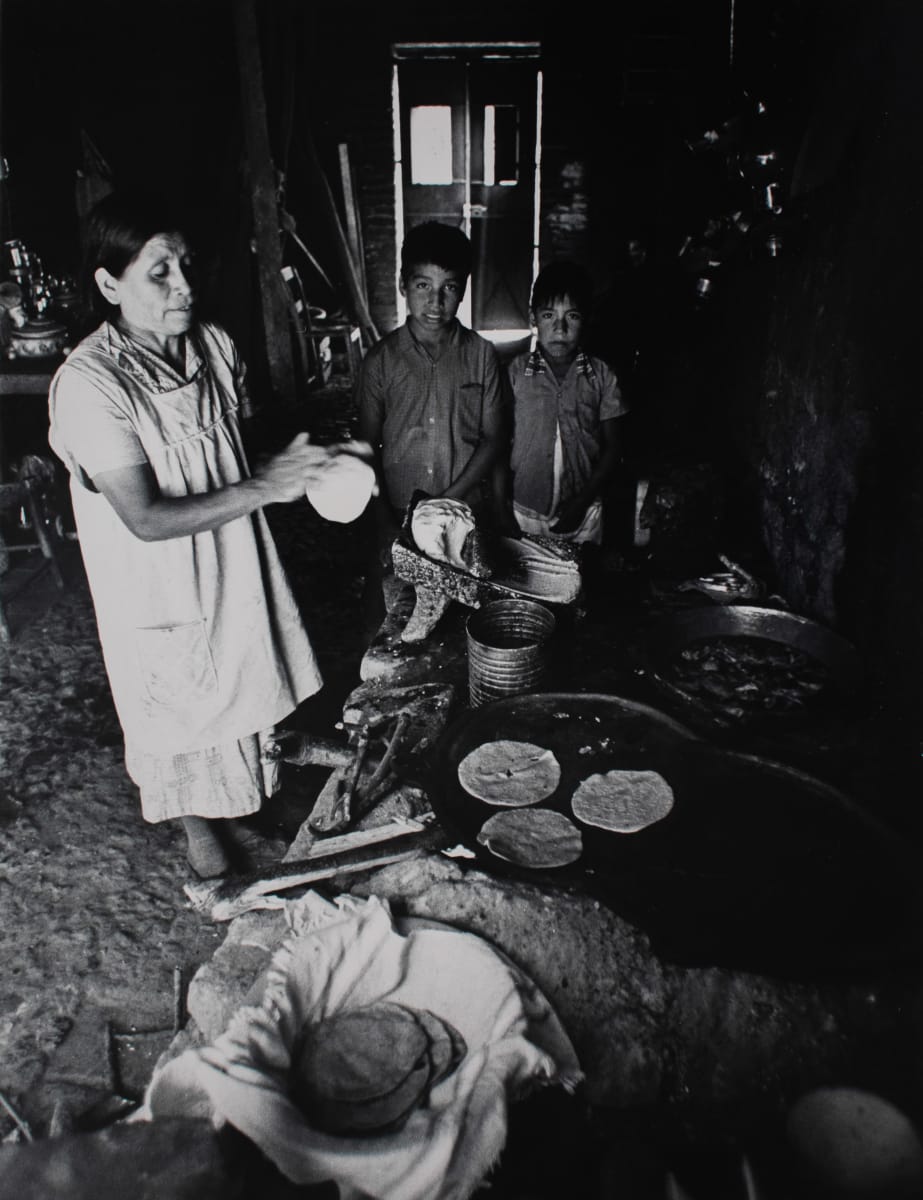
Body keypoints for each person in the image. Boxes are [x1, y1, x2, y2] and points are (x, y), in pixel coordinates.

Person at [48, 190, 367, 879]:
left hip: (229, 552)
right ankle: (202, 835)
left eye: (187, 266)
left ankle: (246, 793)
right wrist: (265, 488)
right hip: (156, 582)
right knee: (178, 708)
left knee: (245, 669)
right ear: (109, 283)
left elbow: (226, 450)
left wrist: (313, 464)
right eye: (158, 272)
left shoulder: (215, 347)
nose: (184, 287)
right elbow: (145, 516)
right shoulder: (91, 384)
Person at [356, 221, 511, 613]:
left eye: (450, 287)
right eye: (424, 285)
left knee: (467, 619)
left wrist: (447, 501)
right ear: (402, 284)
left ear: (464, 290)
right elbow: (365, 448)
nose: (436, 302)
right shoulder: (380, 361)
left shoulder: (481, 355)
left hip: (466, 517)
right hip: (400, 520)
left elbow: (493, 438)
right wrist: (384, 525)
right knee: (403, 620)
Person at [502, 261, 628, 545]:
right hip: (526, 511)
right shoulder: (514, 373)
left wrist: (583, 501)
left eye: (571, 316)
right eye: (548, 315)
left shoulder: (602, 376)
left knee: (582, 582)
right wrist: (501, 503)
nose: (560, 328)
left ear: (586, 319)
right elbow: (498, 440)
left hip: (585, 514)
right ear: (533, 318)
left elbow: (614, 447)